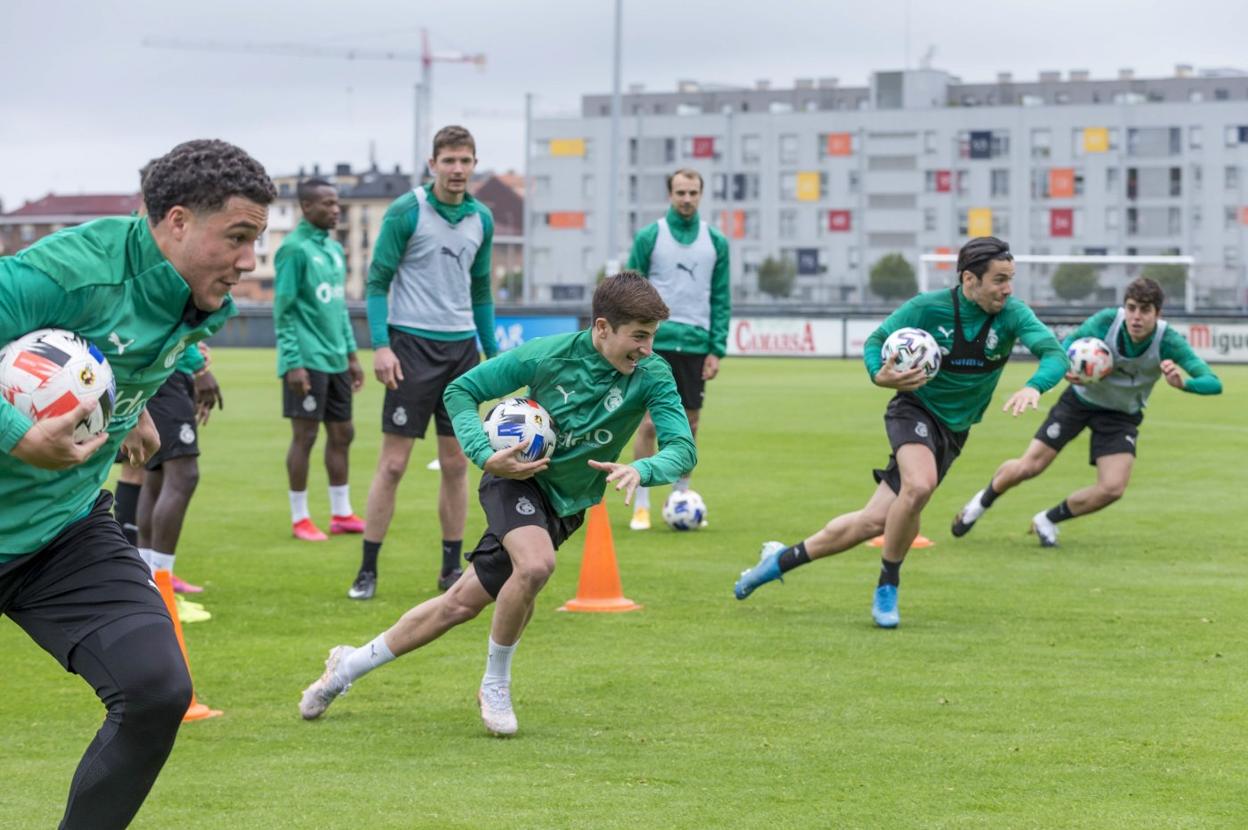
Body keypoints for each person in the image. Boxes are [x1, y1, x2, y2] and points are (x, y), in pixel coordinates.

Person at [0, 139, 274, 829]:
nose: (249, 260)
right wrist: (18, 434)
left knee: (156, 689)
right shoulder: (68, 273)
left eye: (257, 241)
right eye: (237, 238)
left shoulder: (192, 292)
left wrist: (129, 407)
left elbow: (125, 346)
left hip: (58, 534)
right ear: (177, 221)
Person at [299, 272, 695, 735]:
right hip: (514, 480)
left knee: (459, 605)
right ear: (603, 328)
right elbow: (460, 391)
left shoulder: (653, 373)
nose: (647, 348)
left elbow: (682, 449)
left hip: (565, 505)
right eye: (640, 336)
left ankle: (346, 667)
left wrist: (641, 469)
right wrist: (487, 456)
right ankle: (495, 684)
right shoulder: (548, 354)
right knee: (535, 566)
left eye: (653, 337)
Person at [732, 237, 1068, 628]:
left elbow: (1054, 353)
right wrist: (880, 374)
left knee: (873, 521)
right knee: (920, 485)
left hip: (953, 433)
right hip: (913, 409)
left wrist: (1034, 386)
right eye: (999, 280)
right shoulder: (928, 308)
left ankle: (777, 560)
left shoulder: (1012, 315)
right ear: (969, 279)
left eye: (1011, 279)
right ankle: (887, 584)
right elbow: (876, 341)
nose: (1008, 289)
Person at [950, 276, 1222, 546]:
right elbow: (1067, 344)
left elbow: (1213, 382)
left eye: (1145, 310)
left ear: (1157, 313)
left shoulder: (1168, 341)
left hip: (1121, 415)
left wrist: (1184, 384)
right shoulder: (1106, 322)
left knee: (1113, 488)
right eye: (1131, 308)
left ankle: (1047, 519)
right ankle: (980, 503)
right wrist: (1070, 368)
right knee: (1029, 466)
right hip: (1079, 401)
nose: (1136, 317)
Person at [350, 125, 499, 600]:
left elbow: (481, 292)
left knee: (456, 464)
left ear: (474, 164)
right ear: (432, 164)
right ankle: (368, 569)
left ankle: (450, 570)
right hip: (410, 348)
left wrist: (493, 356)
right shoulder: (406, 211)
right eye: (449, 160)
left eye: (466, 160)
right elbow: (377, 282)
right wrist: (380, 345)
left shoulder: (483, 219)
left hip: (461, 352)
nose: (458, 170)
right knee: (393, 465)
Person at [626, 168, 729, 530]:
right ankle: (641, 502)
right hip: (657, 342)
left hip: (697, 344)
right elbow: (629, 289)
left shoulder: (716, 242)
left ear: (701, 195)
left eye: (693, 192)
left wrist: (717, 348)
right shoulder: (651, 236)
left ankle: (680, 495)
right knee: (651, 424)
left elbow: (721, 297)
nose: (687, 199)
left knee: (690, 424)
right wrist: (633, 340)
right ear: (670, 194)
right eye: (680, 192)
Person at [273, 178, 366, 541]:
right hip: (306, 360)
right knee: (306, 436)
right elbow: (283, 311)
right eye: (327, 204)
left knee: (343, 433)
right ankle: (300, 518)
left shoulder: (333, 250)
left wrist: (352, 356)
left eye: (336, 203)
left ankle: (341, 513)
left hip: (336, 360)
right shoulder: (293, 250)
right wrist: (292, 362)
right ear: (306, 208)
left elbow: (338, 308)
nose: (335, 209)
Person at [132, 342, 222, 623]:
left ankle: (149, 588)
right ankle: (161, 589)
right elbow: (174, 319)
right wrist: (199, 365)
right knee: (183, 475)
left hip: (158, 370)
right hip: (168, 371)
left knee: (155, 475)